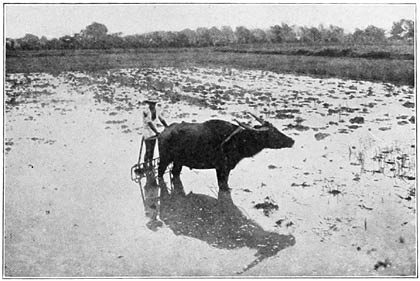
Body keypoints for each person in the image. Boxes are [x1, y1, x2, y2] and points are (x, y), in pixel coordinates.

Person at [142, 96, 167, 168]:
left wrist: (167, 127)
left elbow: (161, 119)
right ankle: (145, 163)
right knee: (148, 149)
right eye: (151, 104)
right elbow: (149, 123)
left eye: (154, 103)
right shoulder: (145, 111)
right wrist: (156, 132)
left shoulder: (157, 110)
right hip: (147, 131)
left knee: (152, 149)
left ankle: (150, 163)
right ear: (149, 104)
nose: (153, 105)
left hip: (154, 131)